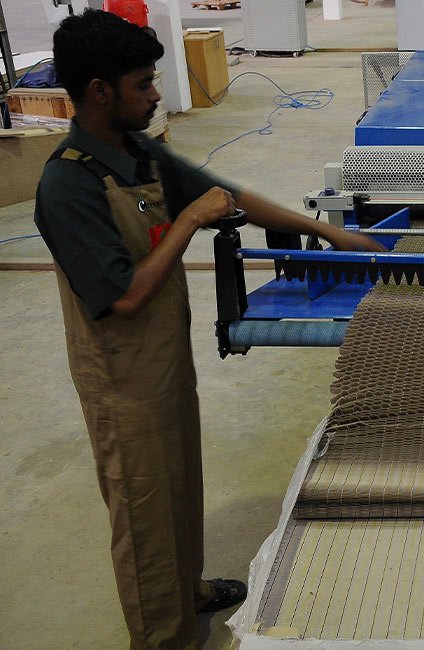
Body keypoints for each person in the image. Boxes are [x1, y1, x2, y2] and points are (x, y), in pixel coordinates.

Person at [33, 10, 384, 650]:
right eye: (143, 84)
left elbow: (229, 195)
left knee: (179, 482)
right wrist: (190, 220)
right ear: (100, 91)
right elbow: (124, 297)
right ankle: (163, 637)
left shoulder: (138, 154)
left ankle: (186, 591)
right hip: (121, 379)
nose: (156, 94)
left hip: (163, 361)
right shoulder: (69, 183)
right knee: (143, 505)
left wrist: (328, 233)